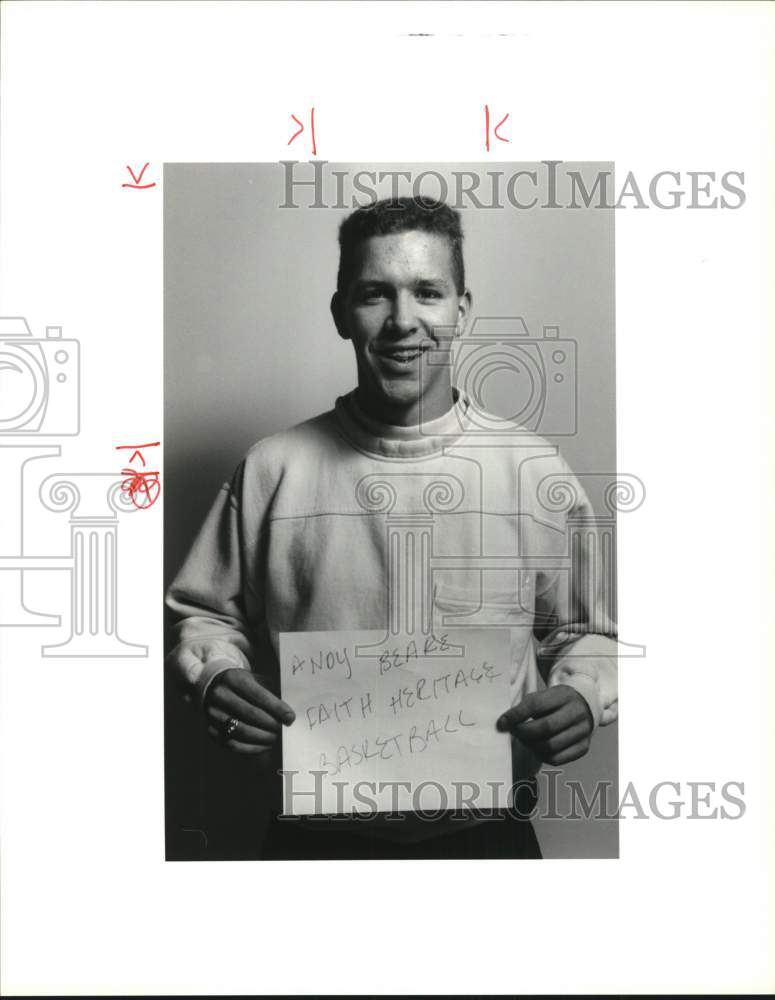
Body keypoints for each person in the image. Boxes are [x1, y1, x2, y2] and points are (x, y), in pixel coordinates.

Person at [165, 196, 618, 859]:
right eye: (374, 294)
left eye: (427, 292)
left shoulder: (531, 470)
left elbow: (586, 632)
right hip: (311, 844)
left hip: (485, 841)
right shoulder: (272, 469)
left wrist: (581, 694)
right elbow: (205, 617)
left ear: (461, 309)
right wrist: (215, 679)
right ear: (340, 313)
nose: (403, 321)